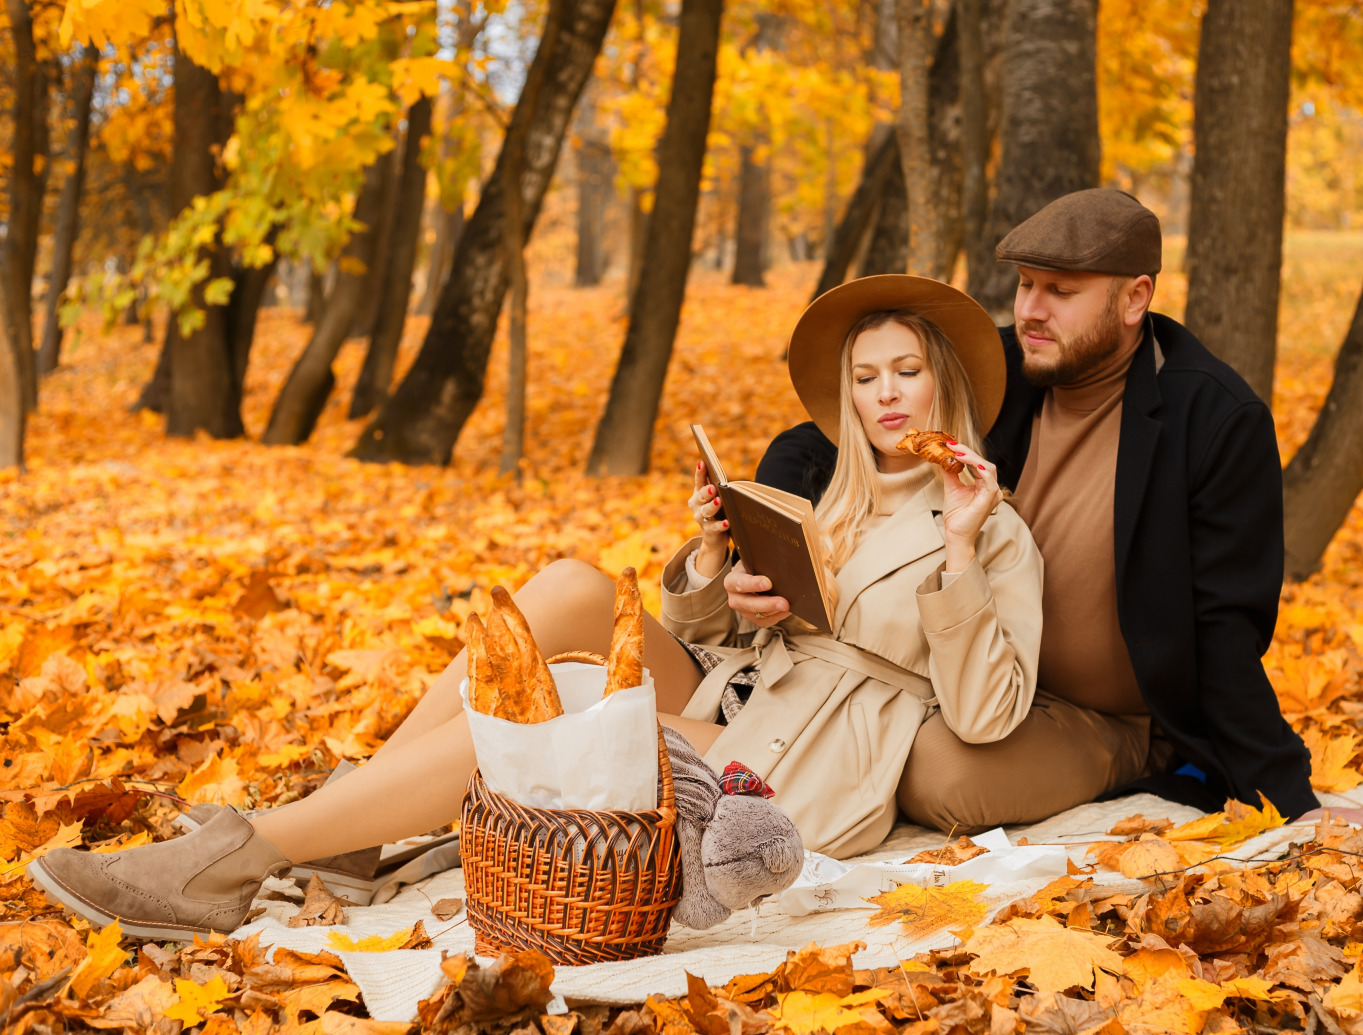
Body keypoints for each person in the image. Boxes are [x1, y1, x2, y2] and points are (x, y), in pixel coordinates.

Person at [29, 275, 1045, 941]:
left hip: (807, 755)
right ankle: (341, 817)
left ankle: (245, 851)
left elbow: (989, 715)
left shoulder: (989, 526)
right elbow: (730, 631)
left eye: (905, 372)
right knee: (566, 584)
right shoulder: (837, 497)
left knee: (557, 708)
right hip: (744, 688)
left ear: (944, 380)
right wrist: (714, 563)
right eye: (865, 378)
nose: (884, 396)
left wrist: (957, 556)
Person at [740, 189, 1363, 830]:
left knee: (937, 774)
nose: (1031, 311)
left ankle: (1134, 771)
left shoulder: (1213, 421)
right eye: (1025, 285)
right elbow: (818, 439)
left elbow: (1225, 631)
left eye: (1061, 291)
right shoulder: (1011, 368)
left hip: (1103, 717)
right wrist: (776, 550)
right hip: (964, 675)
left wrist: (1291, 801)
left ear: (1135, 298)